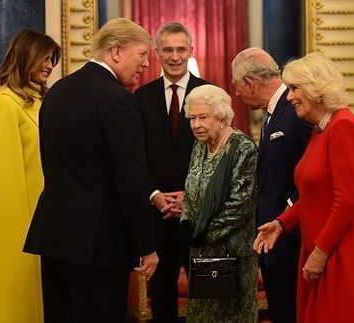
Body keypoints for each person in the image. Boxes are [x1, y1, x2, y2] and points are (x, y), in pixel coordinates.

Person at [23, 18, 161, 322]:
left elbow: (51, 164)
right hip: (99, 243)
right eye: (141, 55)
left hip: (55, 235)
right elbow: (130, 178)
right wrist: (146, 245)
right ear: (115, 51)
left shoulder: (56, 92)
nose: (145, 65)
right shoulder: (118, 100)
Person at [253, 52, 354, 323]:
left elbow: (346, 201)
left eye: (295, 88)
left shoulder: (344, 126)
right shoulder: (320, 130)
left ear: (316, 89)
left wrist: (320, 253)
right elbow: (312, 195)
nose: (290, 96)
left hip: (342, 249)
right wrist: (281, 224)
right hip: (321, 246)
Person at [0, 30, 61, 323]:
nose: (48, 65)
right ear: (24, 56)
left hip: (46, 214)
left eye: (51, 59)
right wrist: (21, 227)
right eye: (43, 57)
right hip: (20, 218)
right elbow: (4, 175)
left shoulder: (40, 100)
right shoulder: (5, 102)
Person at [134, 22, 209, 323]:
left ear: (191, 51)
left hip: (201, 213)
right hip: (157, 212)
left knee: (205, 295)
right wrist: (155, 196)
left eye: (181, 49)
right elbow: (135, 156)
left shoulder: (210, 92)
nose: (175, 56)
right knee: (162, 296)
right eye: (168, 50)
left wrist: (191, 198)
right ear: (157, 53)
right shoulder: (141, 97)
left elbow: (220, 156)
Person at [231, 47, 312, 323]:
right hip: (271, 238)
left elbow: (314, 173)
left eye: (238, 87)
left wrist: (285, 216)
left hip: (290, 237)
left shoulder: (296, 112)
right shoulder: (271, 114)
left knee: (290, 312)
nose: (237, 94)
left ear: (250, 83)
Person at [180, 84, 258, 323]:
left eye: (203, 117)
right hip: (200, 252)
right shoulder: (200, 146)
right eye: (192, 118)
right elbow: (191, 191)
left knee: (231, 317)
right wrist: (187, 223)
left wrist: (203, 233)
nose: (196, 125)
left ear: (222, 116)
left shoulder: (242, 149)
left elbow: (240, 204)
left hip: (233, 254)